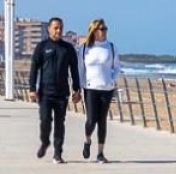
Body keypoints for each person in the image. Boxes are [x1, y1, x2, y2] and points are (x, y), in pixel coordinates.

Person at [27, 16, 81, 162]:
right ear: (49, 29)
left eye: (60, 28)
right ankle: (45, 142)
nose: (58, 31)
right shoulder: (42, 47)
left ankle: (58, 153)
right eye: (56, 28)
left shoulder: (68, 48)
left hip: (62, 93)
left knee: (59, 123)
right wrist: (32, 88)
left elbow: (74, 70)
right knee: (45, 120)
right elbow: (34, 69)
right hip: (45, 93)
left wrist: (77, 90)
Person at [78, 17, 121, 163]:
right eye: (101, 29)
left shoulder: (111, 47)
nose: (104, 32)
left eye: (105, 29)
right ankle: (87, 139)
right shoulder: (84, 48)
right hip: (90, 88)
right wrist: (78, 88)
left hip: (106, 88)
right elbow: (80, 69)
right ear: (94, 31)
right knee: (91, 120)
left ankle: (100, 153)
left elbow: (117, 68)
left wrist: (112, 80)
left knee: (102, 120)